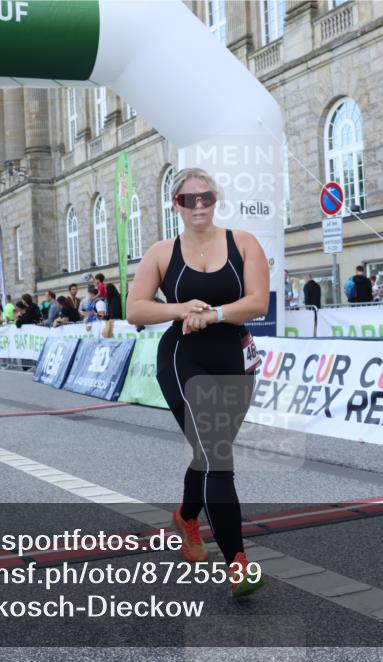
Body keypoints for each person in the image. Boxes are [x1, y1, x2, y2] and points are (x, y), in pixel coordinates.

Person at [125, 167, 267, 597]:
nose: (199, 205)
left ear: (216, 199)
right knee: (216, 454)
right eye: (189, 199)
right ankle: (238, 563)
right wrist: (181, 308)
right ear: (176, 205)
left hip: (234, 356)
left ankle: (188, 515)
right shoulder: (161, 252)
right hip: (183, 357)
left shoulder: (244, 242)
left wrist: (214, 314)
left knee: (209, 451)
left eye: (206, 197)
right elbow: (135, 309)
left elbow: (258, 302)